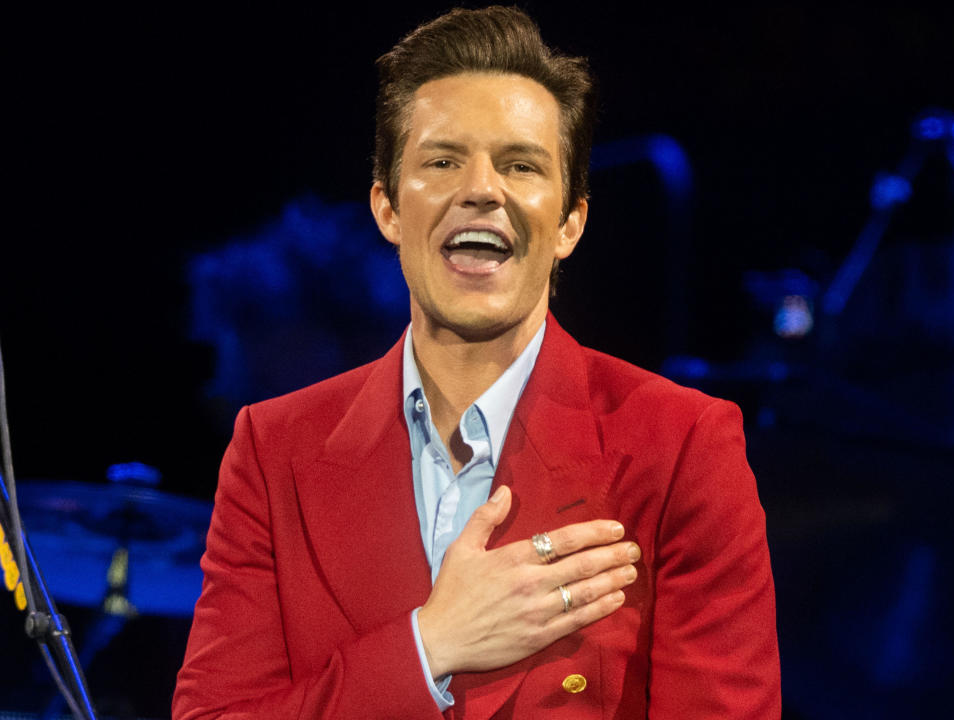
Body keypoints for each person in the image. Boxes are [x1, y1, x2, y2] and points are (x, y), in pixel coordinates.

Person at [173, 6, 780, 719]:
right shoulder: (274, 450)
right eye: (441, 161)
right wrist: (429, 647)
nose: (483, 189)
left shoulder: (681, 446)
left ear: (569, 223)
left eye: (520, 164)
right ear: (389, 209)